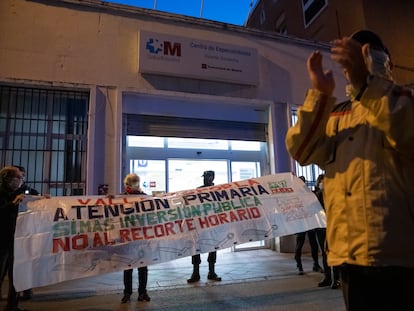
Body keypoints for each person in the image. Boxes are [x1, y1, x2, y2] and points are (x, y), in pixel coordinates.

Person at [285, 29, 414, 310]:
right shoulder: (337, 114)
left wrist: (366, 83)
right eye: (356, 55)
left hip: (401, 258)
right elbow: (301, 150)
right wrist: (320, 94)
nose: (362, 59)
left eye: (369, 53)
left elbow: (406, 130)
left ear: (388, 62)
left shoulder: (406, 99)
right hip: (349, 258)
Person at [187, 170, 222, 283]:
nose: (206, 179)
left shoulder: (218, 190)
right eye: (205, 177)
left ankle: (211, 271)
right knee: (196, 247)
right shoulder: (198, 190)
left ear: (212, 177)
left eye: (208, 176)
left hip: (212, 223)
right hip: (200, 223)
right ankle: (195, 272)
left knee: (213, 247)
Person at [0, 166, 27, 311]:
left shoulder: (21, 192)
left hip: (16, 240)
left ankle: (12, 305)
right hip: (2, 240)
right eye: (18, 177)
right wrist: (12, 204)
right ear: (8, 179)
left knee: (15, 273)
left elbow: (35, 199)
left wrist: (44, 200)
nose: (21, 180)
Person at [121, 173, 150, 303]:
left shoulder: (144, 198)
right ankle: (127, 292)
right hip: (128, 237)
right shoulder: (120, 198)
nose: (127, 187)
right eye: (126, 185)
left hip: (142, 237)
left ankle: (142, 292)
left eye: (129, 185)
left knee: (142, 266)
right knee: (128, 266)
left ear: (135, 185)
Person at [312, 174, 340, 289]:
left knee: (333, 252)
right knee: (324, 253)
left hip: (332, 227)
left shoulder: (334, 195)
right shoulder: (314, 196)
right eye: (321, 182)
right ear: (318, 184)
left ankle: (336, 279)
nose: (323, 184)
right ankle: (328, 278)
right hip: (320, 228)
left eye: (325, 182)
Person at [294, 176, 322, 275]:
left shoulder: (309, 193)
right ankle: (299, 265)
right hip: (301, 222)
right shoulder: (294, 194)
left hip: (310, 221)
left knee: (313, 244)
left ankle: (316, 264)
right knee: (299, 244)